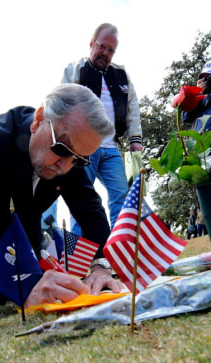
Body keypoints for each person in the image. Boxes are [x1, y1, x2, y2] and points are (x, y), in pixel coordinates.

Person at [0, 84, 122, 310]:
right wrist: (25, 284)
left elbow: (91, 211)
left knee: (39, 279)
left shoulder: (70, 154)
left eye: (80, 159)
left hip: (23, 234)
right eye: (62, 149)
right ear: (38, 120)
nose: (65, 167)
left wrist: (100, 265)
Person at [62, 23, 143, 236]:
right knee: (80, 199)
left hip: (111, 148)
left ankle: (119, 251)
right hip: (81, 148)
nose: (105, 53)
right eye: (101, 46)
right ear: (91, 44)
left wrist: (136, 139)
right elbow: (61, 103)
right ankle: (81, 258)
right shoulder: (75, 69)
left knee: (121, 197)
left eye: (110, 50)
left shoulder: (121, 74)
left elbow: (133, 107)